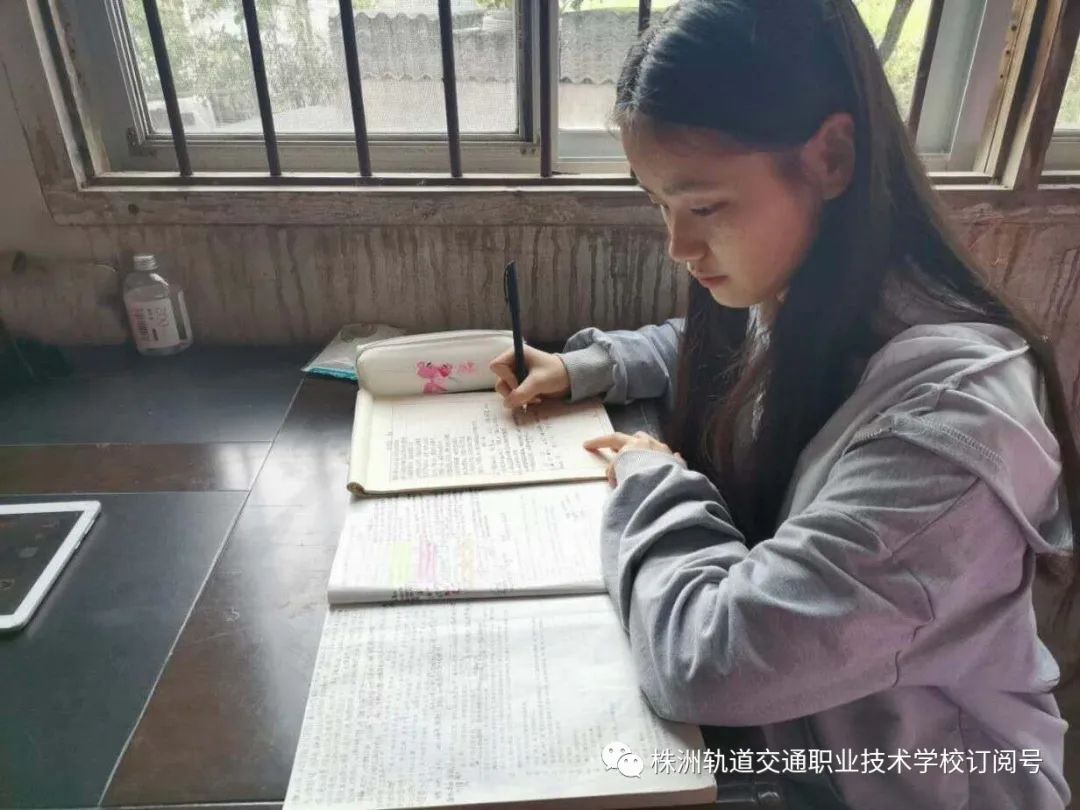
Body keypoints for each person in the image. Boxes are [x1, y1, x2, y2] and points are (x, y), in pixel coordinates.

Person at [489, 1, 1078, 808]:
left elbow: (710, 662)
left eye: (705, 207)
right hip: (798, 752)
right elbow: (727, 353)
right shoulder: (811, 293)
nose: (678, 246)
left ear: (829, 156)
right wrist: (590, 366)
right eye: (658, 203)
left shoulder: (952, 427)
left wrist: (653, 484)